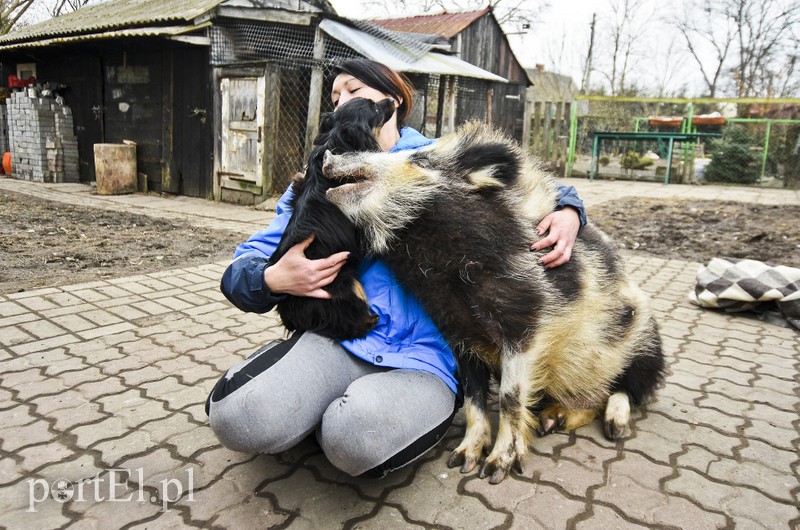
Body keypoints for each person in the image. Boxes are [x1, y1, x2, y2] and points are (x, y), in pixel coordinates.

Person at [205, 59, 588, 478]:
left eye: (353, 90)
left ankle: (329, 410)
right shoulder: (320, 176)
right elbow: (245, 265)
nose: (340, 103)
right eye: (334, 98)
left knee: (353, 437)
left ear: (394, 99)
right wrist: (270, 278)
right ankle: (295, 389)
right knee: (239, 417)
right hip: (340, 340)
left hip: (425, 360)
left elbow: (522, 175)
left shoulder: (437, 159)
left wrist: (570, 209)